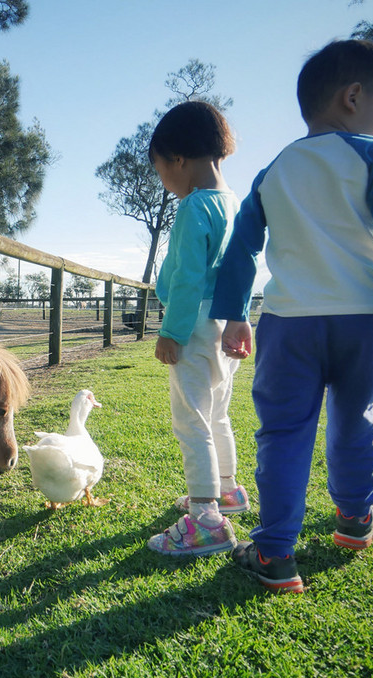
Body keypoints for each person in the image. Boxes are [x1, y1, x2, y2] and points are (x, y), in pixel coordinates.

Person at [210, 39, 373, 593]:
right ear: (354, 96)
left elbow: (240, 249)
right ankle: (357, 516)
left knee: (285, 432)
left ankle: (273, 554)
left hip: (291, 321)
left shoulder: (274, 170)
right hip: (368, 315)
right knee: (355, 413)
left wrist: (236, 315)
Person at [144, 101, 250, 558]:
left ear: (179, 159)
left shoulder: (194, 207)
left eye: (161, 169)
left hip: (196, 325)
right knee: (218, 412)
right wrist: (240, 316)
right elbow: (244, 267)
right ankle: (227, 491)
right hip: (225, 324)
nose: (163, 181)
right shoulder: (234, 202)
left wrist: (172, 331)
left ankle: (206, 517)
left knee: (191, 419)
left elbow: (187, 278)